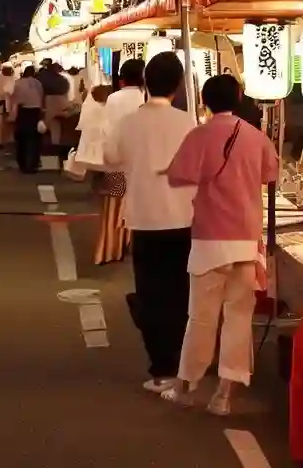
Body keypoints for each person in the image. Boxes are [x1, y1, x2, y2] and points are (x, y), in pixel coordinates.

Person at [162, 74, 279, 415]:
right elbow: (270, 175)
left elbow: (177, 175)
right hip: (245, 240)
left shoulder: (198, 135)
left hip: (209, 239)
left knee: (200, 317)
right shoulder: (256, 138)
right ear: (240, 96)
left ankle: (185, 386)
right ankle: (224, 396)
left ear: (204, 101)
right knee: (239, 318)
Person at [104, 53, 195, 393]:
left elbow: (110, 158)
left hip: (143, 218)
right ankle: (184, 363)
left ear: (144, 82)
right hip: (184, 217)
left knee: (151, 293)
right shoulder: (188, 123)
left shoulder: (128, 123)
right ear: (177, 85)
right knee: (181, 292)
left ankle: (161, 368)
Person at [91, 59, 146, 264]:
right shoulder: (145, 97)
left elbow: (106, 129)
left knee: (113, 205)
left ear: (122, 79)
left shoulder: (114, 98)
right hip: (140, 160)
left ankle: (111, 249)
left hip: (115, 158)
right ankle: (131, 243)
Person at [11, 65, 45, 173]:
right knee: (34, 140)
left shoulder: (18, 83)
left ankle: (22, 163)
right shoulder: (38, 83)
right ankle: (32, 164)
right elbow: (41, 97)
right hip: (35, 112)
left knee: (22, 139)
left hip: (23, 112)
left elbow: (15, 101)